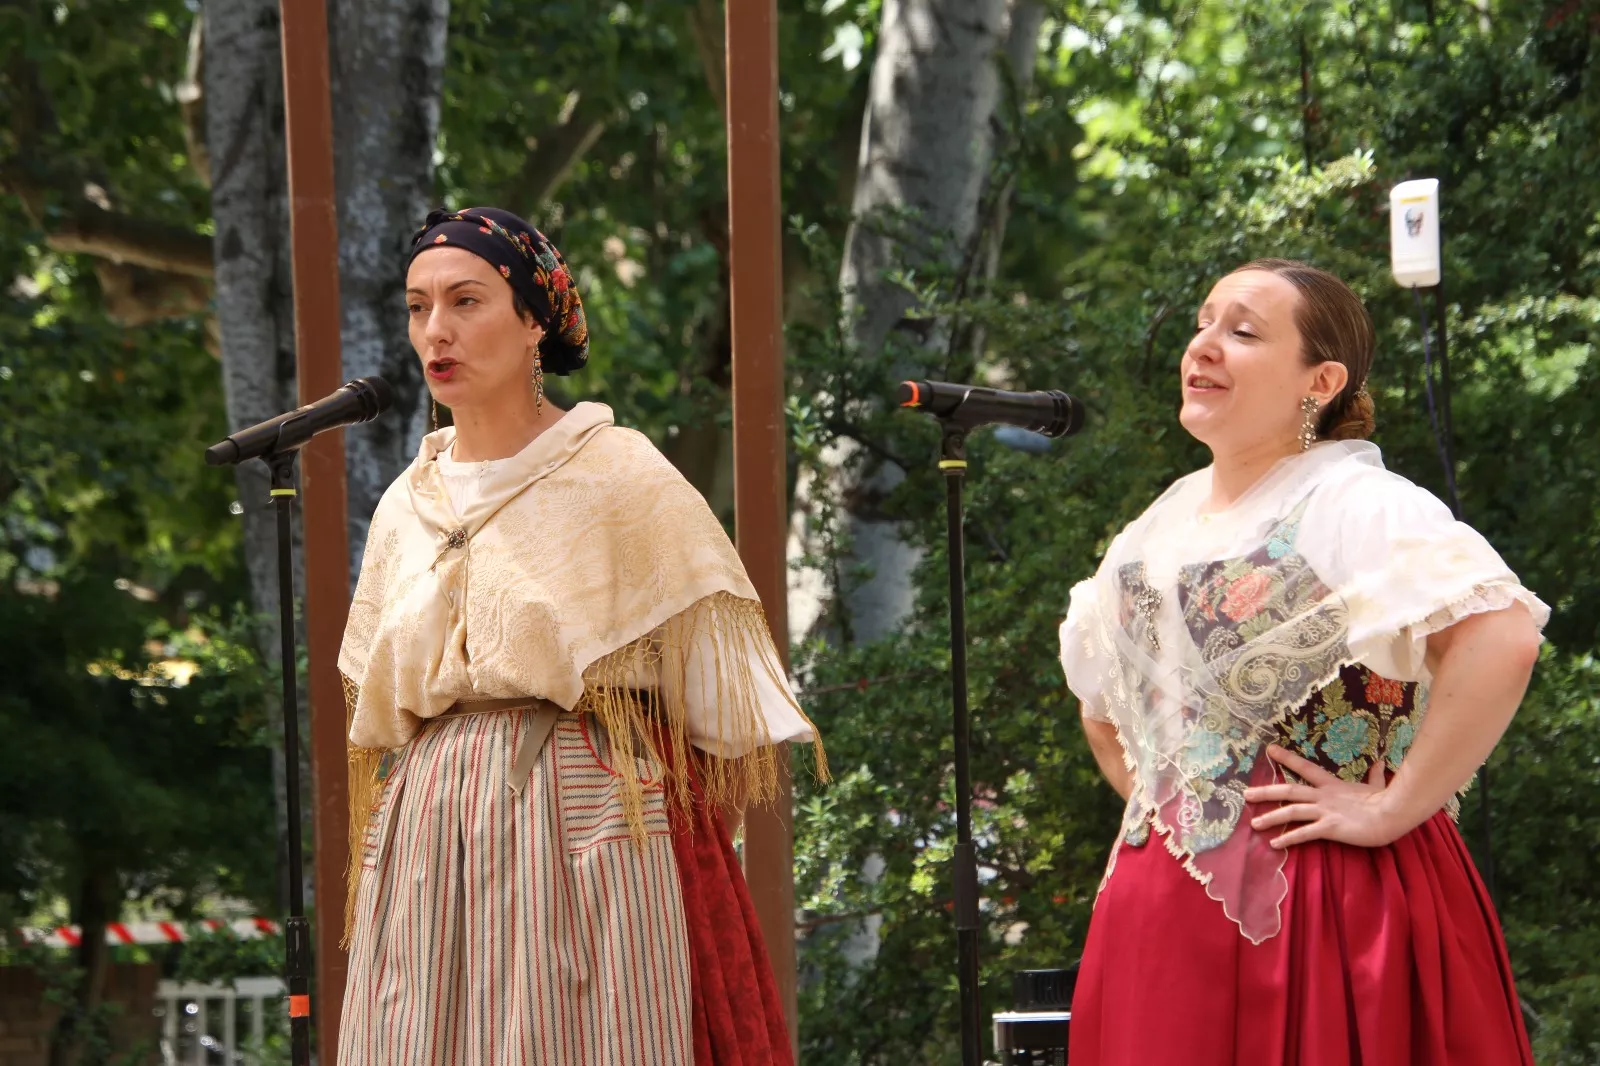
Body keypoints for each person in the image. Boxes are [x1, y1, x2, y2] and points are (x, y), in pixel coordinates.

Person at [336, 206, 826, 1065]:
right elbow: (381, 714)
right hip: (430, 845)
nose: (436, 330)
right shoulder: (401, 507)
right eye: (418, 307)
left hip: (589, 830)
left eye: (466, 300)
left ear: (535, 320)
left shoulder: (619, 472)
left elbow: (718, 714)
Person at [1057, 259, 1545, 1065]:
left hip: (1328, 901)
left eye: (1242, 332)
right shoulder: (1155, 527)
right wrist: (1193, 815)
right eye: (1204, 323)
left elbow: (1501, 634)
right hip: (1158, 918)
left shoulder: (1353, 503)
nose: (1205, 346)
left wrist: (1391, 808)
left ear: (1319, 380)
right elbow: (1103, 709)